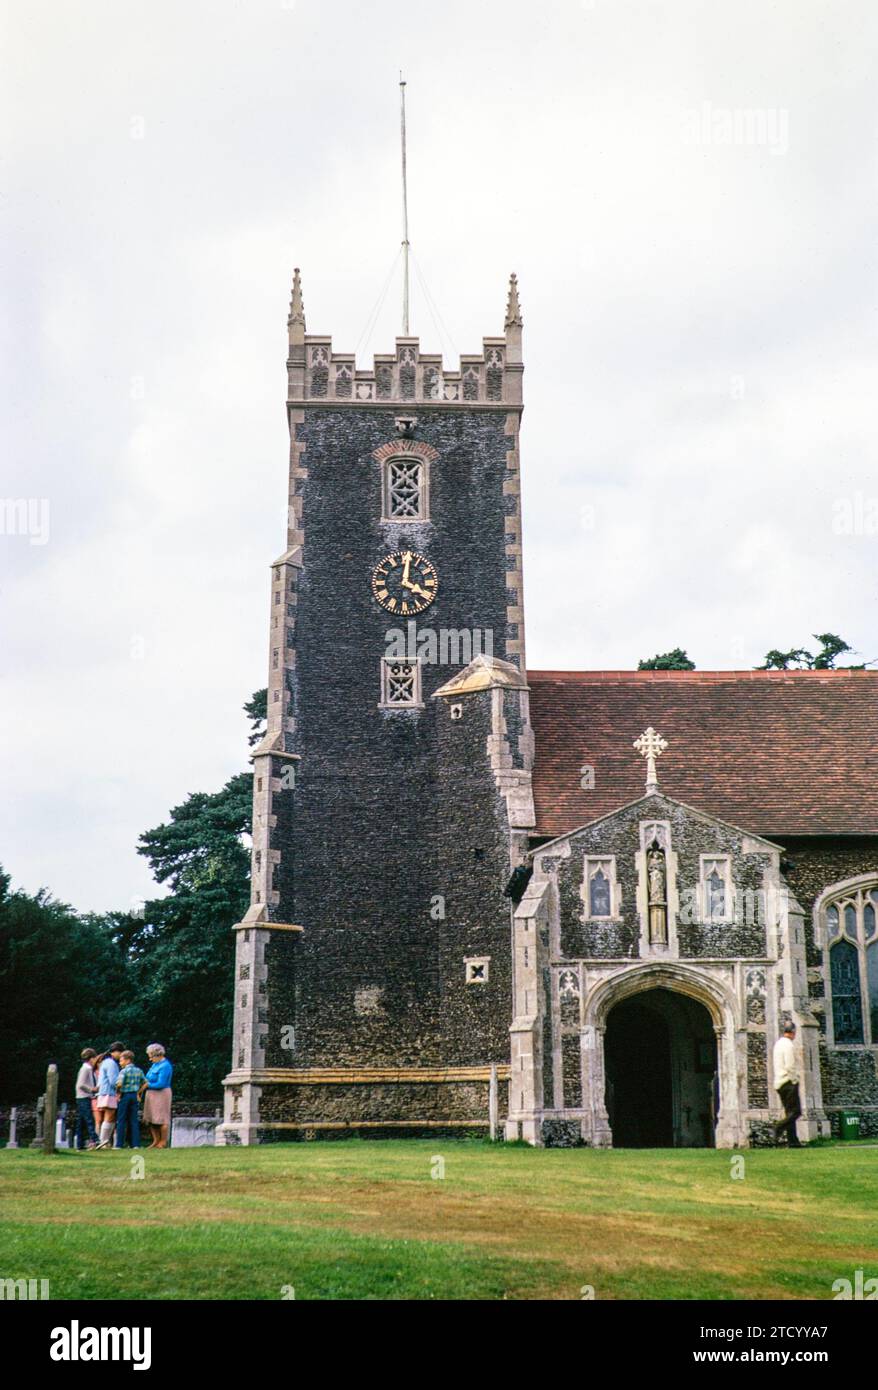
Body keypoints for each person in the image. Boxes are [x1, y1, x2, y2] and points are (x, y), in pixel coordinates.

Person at [773, 1022, 802, 1148]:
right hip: (787, 1082)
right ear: (793, 1032)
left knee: (789, 1112)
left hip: (779, 1082)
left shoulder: (778, 1044)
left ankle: (793, 1142)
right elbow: (790, 1066)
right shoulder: (789, 1045)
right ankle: (778, 1127)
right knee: (796, 1112)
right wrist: (795, 1080)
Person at [142, 1044, 173, 1149]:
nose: (150, 1059)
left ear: (157, 1055)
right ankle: (156, 1141)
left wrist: (147, 1085)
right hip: (151, 1094)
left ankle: (163, 1142)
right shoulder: (154, 1065)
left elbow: (162, 1083)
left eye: (151, 1056)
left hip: (161, 1094)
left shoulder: (165, 1066)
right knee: (151, 1118)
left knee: (162, 1118)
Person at [94, 1042, 125, 1149]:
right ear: (115, 1052)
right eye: (120, 1053)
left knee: (110, 1118)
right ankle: (102, 1142)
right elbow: (113, 1081)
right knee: (109, 1117)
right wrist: (120, 1088)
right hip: (109, 1093)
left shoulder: (105, 1062)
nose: (121, 1055)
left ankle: (104, 1141)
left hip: (104, 1092)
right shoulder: (111, 1063)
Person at [114, 1051, 147, 1149]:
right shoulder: (139, 1070)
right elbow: (146, 1083)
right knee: (133, 1120)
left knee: (121, 1120)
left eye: (121, 1060)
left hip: (125, 1096)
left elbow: (119, 1083)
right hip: (134, 1096)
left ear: (127, 1060)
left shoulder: (123, 1071)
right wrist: (138, 1092)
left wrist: (118, 1092)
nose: (120, 1063)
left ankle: (119, 1144)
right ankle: (135, 1144)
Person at [74, 1048, 98, 1150]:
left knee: (81, 1122)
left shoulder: (86, 1068)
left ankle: (80, 1144)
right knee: (89, 1119)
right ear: (91, 1058)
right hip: (84, 1097)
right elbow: (81, 1084)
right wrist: (92, 1089)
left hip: (81, 1097)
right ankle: (95, 1139)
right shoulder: (86, 1069)